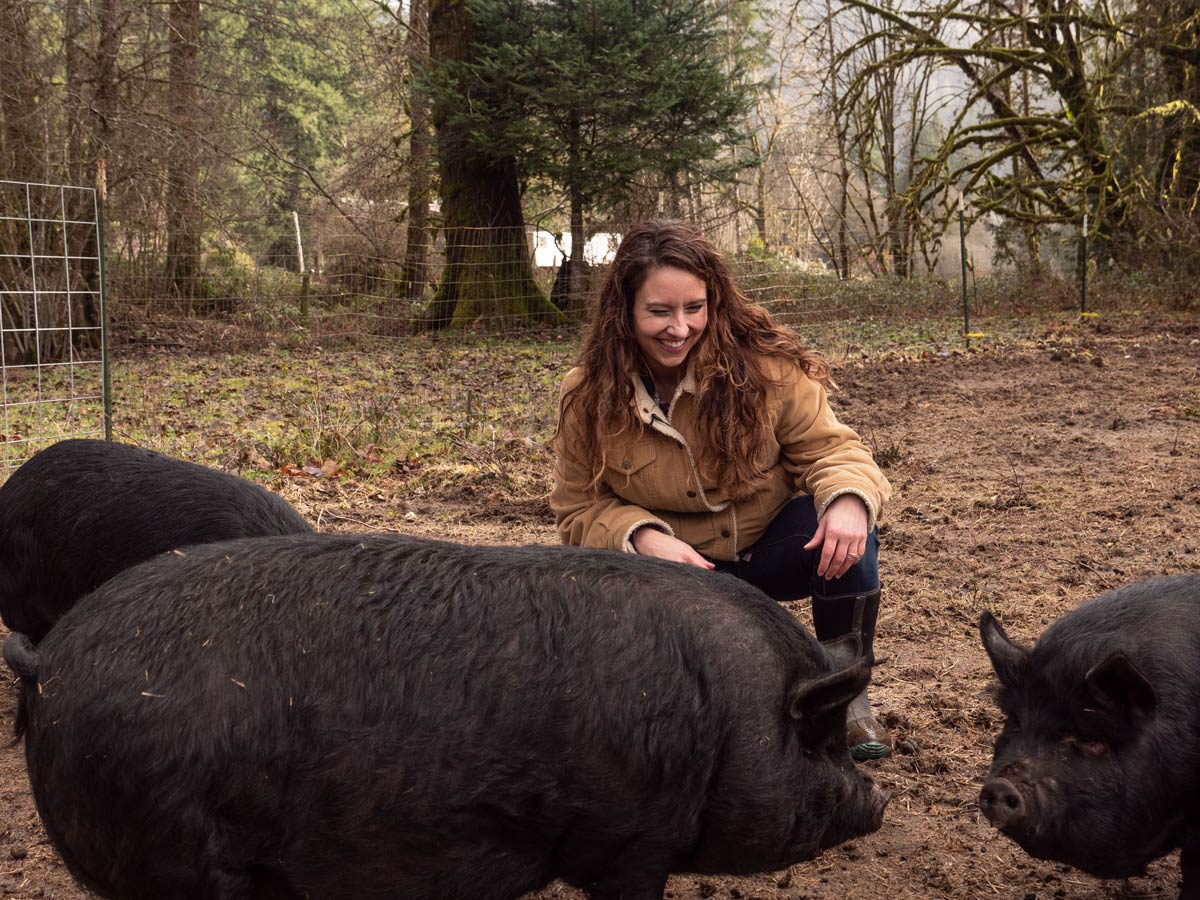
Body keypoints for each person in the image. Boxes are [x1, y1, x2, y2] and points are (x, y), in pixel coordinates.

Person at [550, 220, 893, 761]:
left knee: (851, 538)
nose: (679, 328)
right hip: (668, 576)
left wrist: (849, 499)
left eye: (694, 308)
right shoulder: (589, 394)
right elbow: (577, 507)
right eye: (659, 311)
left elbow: (835, 452)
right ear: (625, 310)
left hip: (769, 552)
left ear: (714, 301)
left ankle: (843, 696)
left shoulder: (767, 369)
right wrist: (640, 538)